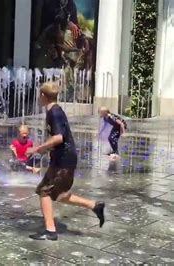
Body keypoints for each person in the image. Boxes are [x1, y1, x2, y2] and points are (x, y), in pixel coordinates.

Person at [26, 82, 105, 241]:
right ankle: (95, 206)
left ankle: (50, 231)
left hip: (64, 160)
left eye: (39, 95)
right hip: (63, 158)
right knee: (60, 194)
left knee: (44, 191)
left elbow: (58, 137)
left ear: (43, 96)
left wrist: (37, 149)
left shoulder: (54, 112)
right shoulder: (54, 110)